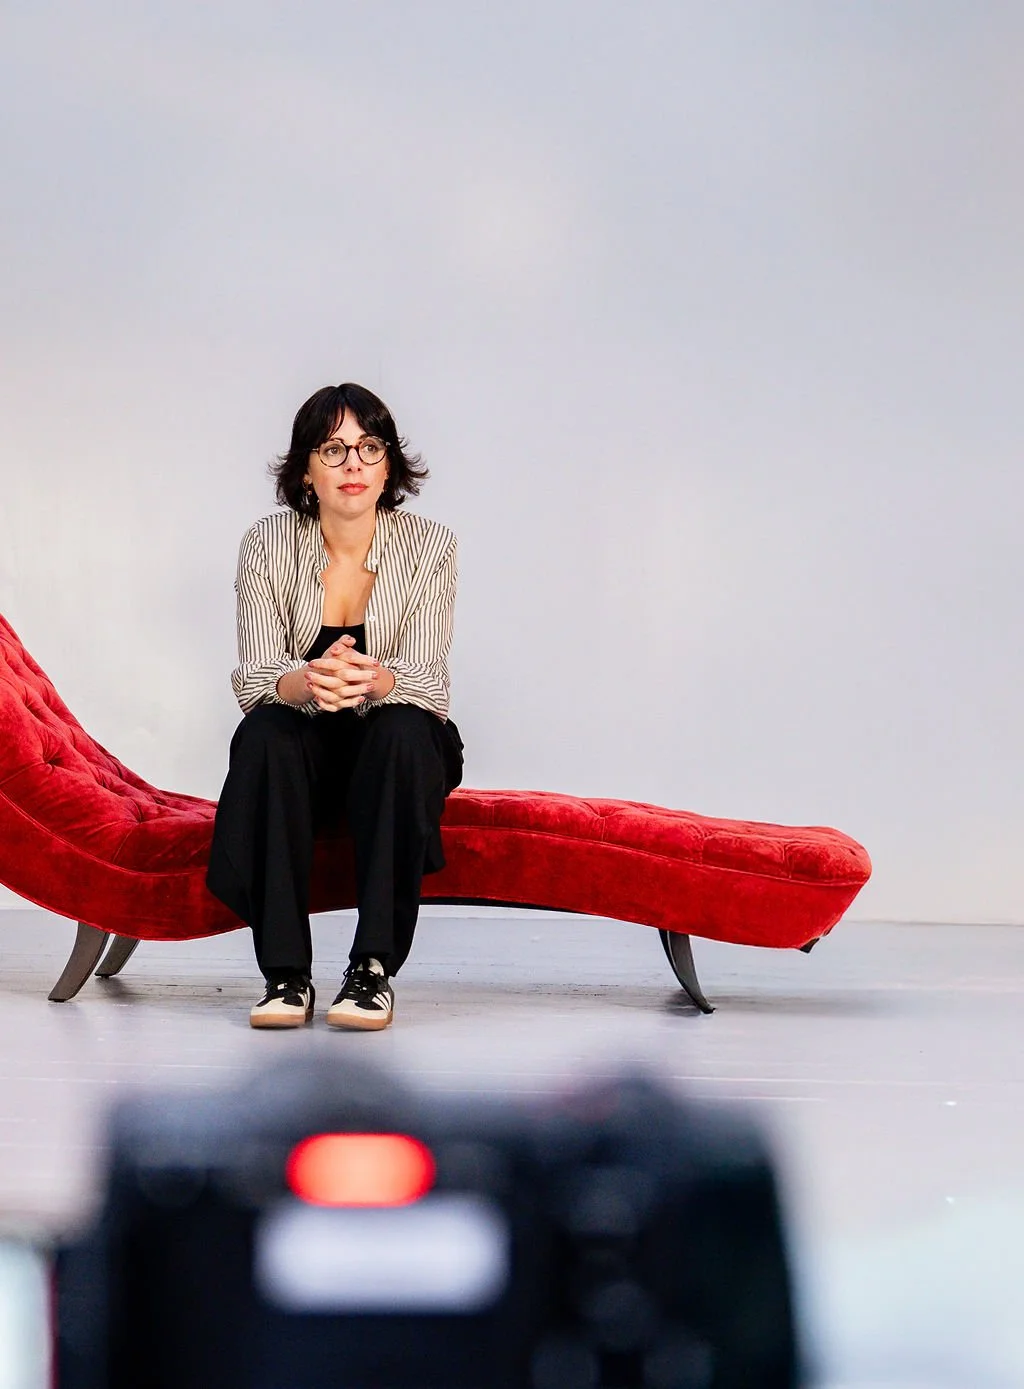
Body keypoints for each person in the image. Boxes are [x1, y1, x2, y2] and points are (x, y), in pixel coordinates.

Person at [206, 383, 463, 1031]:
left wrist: (374, 679)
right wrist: (307, 682)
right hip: (307, 748)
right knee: (266, 734)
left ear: (389, 464)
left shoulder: (431, 545)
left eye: (369, 447)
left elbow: (430, 684)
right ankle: (285, 975)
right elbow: (255, 677)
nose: (354, 464)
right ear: (306, 470)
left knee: (403, 728)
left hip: (396, 745)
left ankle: (372, 970)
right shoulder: (266, 543)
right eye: (333, 449)